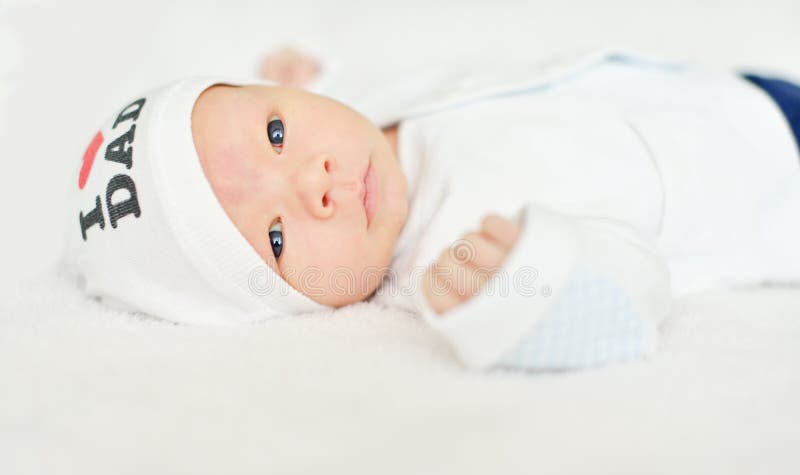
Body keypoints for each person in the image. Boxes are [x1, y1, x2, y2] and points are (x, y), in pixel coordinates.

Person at [62, 45, 800, 371]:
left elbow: (358, 96)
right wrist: (531, 286)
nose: (315, 183)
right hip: (771, 181)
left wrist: (320, 71)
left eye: (277, 131)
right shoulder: (448, 259)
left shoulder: (371, 121)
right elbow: (632, 289)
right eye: (277, 238)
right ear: (292, 304)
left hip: (717, 90)